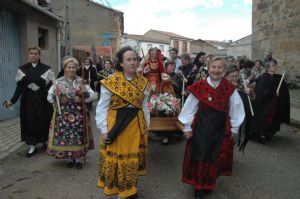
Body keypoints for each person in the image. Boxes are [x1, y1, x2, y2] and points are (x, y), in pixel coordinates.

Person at [178, 57, 245, 199]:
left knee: (215, 156)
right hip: (201, 127)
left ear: (224, 70)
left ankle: (209, 183)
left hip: (221, 129)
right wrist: (187, 126)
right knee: (201, 154)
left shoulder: (229, 88)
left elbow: (236, 109)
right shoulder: (199, 86)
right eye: (213, 67)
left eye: (219, 68)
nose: (216, 70)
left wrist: (234, 128)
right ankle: (198, 186)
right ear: (208, 69)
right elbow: (190, 107)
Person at [96, 46, 150, 199]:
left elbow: (145, 106)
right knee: (117, 159)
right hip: (116, 125)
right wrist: (104, 129)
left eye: (135, 59)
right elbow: (102, 108)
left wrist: (146, 127)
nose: (133, 62)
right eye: (129, 59)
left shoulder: (143, 82)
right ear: (121, 63)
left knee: (131, 159)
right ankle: (120, 191)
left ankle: (129, 190)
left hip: (135, 125)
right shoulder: (110, 82)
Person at [3, 46, 53, 157]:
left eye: (36, 53)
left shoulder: (46, 68)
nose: (33, 55)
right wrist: (12, 101)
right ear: (29, 55)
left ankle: (45, 141)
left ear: (39, 55)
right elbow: (19, 88)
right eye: (31, 53)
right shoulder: (22, 69)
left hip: (43, 100)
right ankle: (33, 145)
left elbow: (51, 87)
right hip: (28, 101)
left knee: (43, 120)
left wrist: (55, 97)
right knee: (30, 121)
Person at [46, 57, 95, 169]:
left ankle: (77, 159)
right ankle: (69, 158)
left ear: (76, 68)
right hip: (63, 114)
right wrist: (55, 95)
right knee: (66, 135)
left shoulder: (81, 81)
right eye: (69, 67)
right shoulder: (58, 82)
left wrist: (85, 93)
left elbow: (91, 96)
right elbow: (49, 98)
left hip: (79, 113)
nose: (71, 69)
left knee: (78, 135)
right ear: (65, 68)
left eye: (73, 67)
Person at [251, 60, 290, 143]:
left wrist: (281, 92)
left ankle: (269, 132)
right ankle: (261, 134)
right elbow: (261, 91)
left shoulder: (278, 78)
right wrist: (273, 93)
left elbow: (283, 89)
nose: (275, 67)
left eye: (275, 65)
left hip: (275, 104)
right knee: (264, 118)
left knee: (274, 118)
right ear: (268, 67)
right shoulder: (263, 78)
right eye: (272, 65)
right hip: (265, 104)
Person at [225, 64, 255, 152]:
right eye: (232, 76)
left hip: (237, 119)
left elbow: (252, 100)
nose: (235, 78)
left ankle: (228, 155)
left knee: (232, 140)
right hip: (225, 118)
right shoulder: (221, 86)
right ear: (225, 76)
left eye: (236, 76)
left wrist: (250, 92)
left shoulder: (241, 86)